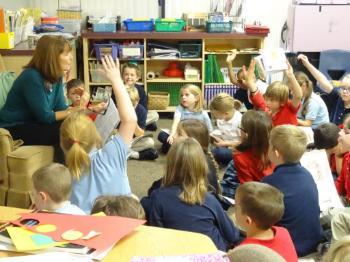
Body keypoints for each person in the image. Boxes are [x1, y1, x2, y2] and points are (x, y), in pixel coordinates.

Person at [60, 55, 137, 214]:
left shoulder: (67, 172)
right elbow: (129, 120)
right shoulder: (110, 156)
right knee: (135, 200)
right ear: (96, 137)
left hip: (86, 230)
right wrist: (116, 80)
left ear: (62, 144)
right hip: (120, 224)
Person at [148, 137, 240, 251]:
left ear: (169, 165)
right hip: (210, 255)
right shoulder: (209, 200)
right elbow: (232, 235)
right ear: (202, 166)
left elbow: (156, 235)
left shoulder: (158, 197)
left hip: (176, 254)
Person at [0, 36, 82, 161]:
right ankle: (63, 175)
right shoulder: (31, 77)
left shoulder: (57, 75)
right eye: (66, 54)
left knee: (73, 124)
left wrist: (81, 108)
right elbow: (45, 116)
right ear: (52, 57)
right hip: (14, 128)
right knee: (63, 130)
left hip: (34, 123)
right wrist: (72, 111)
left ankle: (66, 172)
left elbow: (60, 108)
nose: (71, 57)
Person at [262, 125, 323, 257]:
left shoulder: (269, 183)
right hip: (314, 241)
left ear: (276, 153)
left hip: (290, 247)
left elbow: (263, 221)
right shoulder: (307, 174)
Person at [141, 119, 220, 218]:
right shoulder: (204, 157)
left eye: (179, 134)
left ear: (192, 140)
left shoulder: (188, 161)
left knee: (146, 202)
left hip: (191, 204)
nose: (174, 136)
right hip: (195, 201)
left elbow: (170, 186)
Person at [235, 182, 298, 261]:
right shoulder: (283, 231)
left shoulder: (244, 252)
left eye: (236, 206)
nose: (234, 209)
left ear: (248, 220)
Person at [221, 110, 274, 198]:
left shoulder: (240, 158)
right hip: (274, 190)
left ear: (247, 135)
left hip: (258, 194)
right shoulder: (274, 148)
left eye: (240, 127)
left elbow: (248, 187)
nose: (239, 130)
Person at [243, 59, 303, 126]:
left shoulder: (289, 107)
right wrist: (249, 81)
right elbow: (255, 93)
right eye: (266, 99)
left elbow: (298, 96)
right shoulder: (267, 109)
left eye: (272, 100)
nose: (267, 102)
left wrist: (291, 76)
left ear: (282, 102)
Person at [158, 84, 213, 153]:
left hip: (195, 139)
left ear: (196, 98)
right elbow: (176, 122)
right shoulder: (179, 109)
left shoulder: (203, 113)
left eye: (187, 95)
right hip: (180, 136)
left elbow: (210, 131)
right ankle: (176, 148)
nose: (183, 97)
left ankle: (173, 148)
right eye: (182, 95)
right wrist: (173, 134)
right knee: (162, 135)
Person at [298, 54, 350, 125]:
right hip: (331, 132)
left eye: (349, 89)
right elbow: (322, 80)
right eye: (343, 88)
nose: (344, 91)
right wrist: (307, 64)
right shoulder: (337, 97)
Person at [121, 62, 159, 130]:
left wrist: (136, 114)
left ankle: (140, 124)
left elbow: (144, 109)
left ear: (137, 78)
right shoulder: (118, 89)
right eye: (126, 74)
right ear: (122, 76)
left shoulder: (141, 90)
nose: (129, 77)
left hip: (136, 115)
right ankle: (144, 125)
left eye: (132, 75)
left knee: (155, 115)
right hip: (122, 116)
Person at [209, 93, 242, 166]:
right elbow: (223, 132)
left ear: (226, 113)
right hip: (226, 145)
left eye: (216, 115)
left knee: (216, 153)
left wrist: (225, 143)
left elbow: (243, 143)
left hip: (238, 150)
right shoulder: (221, 119)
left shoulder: (239, 121)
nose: (214, 117)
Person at [126, 87, 158, 160]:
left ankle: (128, 153)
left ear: (137, 101)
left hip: (132, 140)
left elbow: (139, 135)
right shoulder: (119, 108)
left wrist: (133, 121)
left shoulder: (141, 111)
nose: (129, 108)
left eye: (133, 105)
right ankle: (134, 154)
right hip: (120, 139)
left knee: (150, 142)